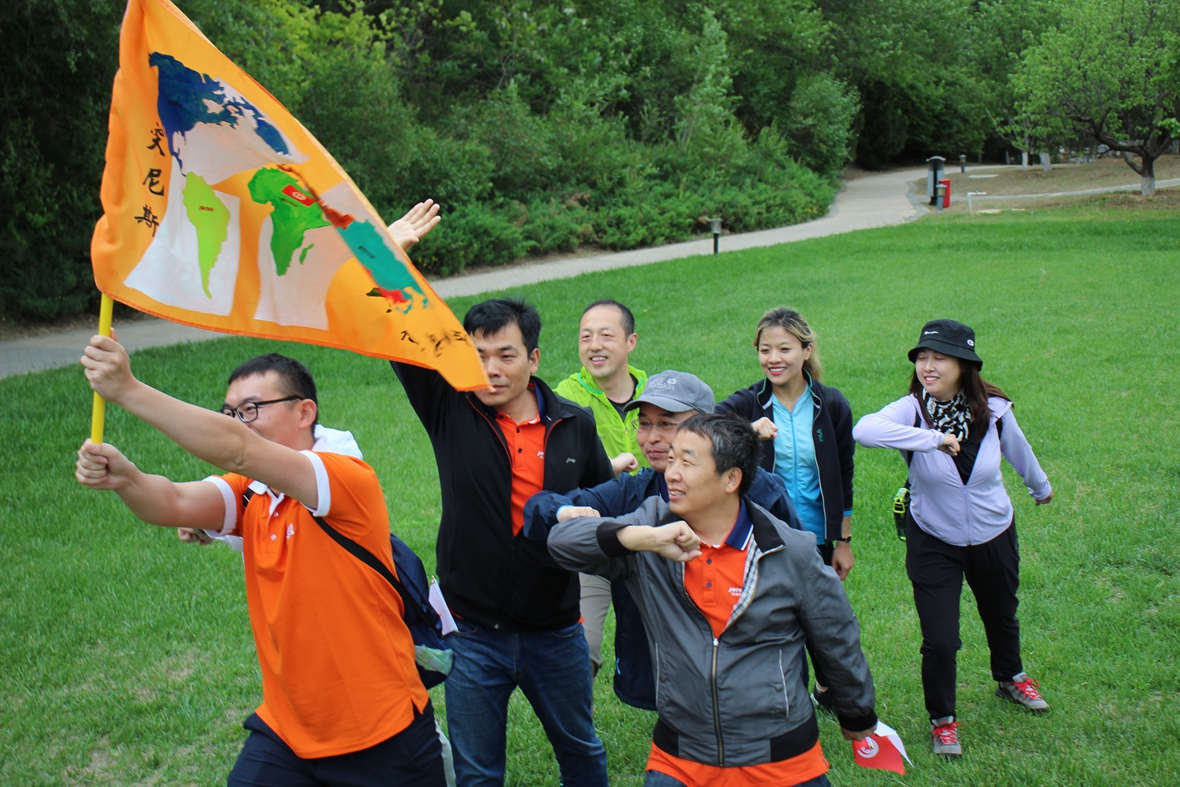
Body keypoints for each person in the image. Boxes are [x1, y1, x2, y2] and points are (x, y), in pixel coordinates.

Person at [75, 343, 445, 786]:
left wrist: (128, 389)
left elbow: (239, 450)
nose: (237, 422)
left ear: (304, 412)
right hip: (287, 731)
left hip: (382, 732)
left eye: (251, 409)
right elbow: (172, 501)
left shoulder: (344, 478)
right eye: (230, 413)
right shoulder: (252, 493)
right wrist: (127, 478)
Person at [549, 413, 877, 787]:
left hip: (782, 760)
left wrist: (857, 714)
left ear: (731, 479)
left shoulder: (790, 551)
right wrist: (640, 539)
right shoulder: (651, 529)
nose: (671, 473)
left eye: (687, 463)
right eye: (671, 459)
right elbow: (561, 543)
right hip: (680, 759)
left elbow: (836, 636)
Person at [390, 297, 613, 787]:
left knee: (581, 751)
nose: (490, 370)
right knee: (477, 772)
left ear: (533, 359)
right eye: (479, 355)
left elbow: (603, 499)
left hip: (556, 630)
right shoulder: (449, 406)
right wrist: (386, 265)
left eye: (505, 355)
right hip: (471, 633)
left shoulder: (574, 423)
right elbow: (400, 333)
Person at [524, 370, 800, 710]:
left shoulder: (760, 492)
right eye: (644, 424)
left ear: (706, 425)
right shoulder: (632, 493)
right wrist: (565, 512)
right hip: (668, 673)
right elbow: (539, 510)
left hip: (756, 672)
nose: (651, 438)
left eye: (667, 424)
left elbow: (806, 580)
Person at [853, 319, 1053, 759]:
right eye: (922, 357)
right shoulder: (911, 410)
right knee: (940, 639)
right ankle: (942, 721)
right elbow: (864, 431)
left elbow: (1019, 451)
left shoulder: (995, 410)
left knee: (1001, 612)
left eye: (939, 358)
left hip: (993, 532)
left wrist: (1040, 487)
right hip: (933, 537)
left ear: (964, 365)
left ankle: (1010, 678)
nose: (928, 366)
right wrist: (932, 439)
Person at [716, 307, 855, 711]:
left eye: (784, 349)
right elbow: (703, 432)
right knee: (772, 620)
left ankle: (828, 688)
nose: (773, 359)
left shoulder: (831, 405)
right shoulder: (747, 402)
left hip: (814, 536)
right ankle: (781, 697)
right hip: (763, 537)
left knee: (823, 618)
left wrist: (843, 541)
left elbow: (844, 476)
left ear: (806, 351)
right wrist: (747, 432)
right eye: (765, 350)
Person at [554, 298, 648, 675]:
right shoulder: (564, 399)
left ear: (630, 341)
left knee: (669, 642)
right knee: (583, 648)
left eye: (606, 336)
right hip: (590, 533)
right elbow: (556, 472)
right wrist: (608, 467)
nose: (594, 346)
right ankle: (577, 713)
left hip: (651, 534)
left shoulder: (656, 395)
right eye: (585, 337)